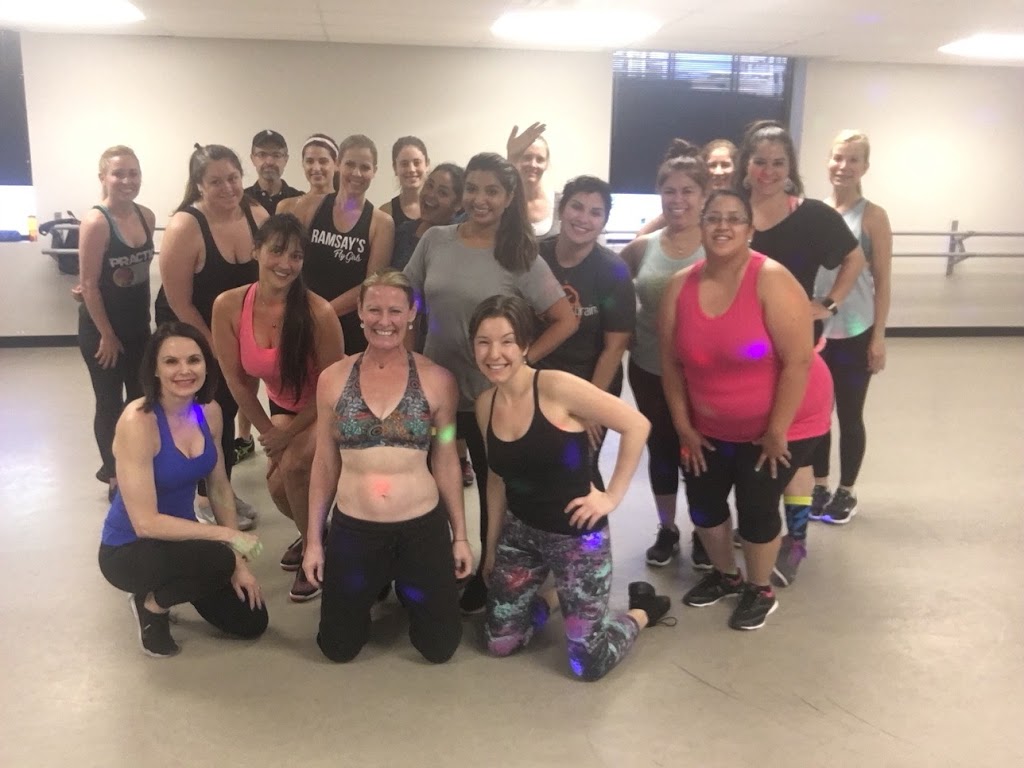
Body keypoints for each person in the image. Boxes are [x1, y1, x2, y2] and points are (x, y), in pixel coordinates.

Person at [403, 151, 578, 614]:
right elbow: (406, 299)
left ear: (508, 196)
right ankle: (431, 565)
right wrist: (406, 359)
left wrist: (517, 364)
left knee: (490, 486)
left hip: (489, 398)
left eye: (492, 191)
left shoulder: (519, 254)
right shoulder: (436, 240)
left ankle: (488, 571)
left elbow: (564, 319)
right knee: (429, 479)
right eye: (473, 189)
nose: (480, 199)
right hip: (437, 393)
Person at [659, 190, 833, 630]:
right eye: (713, 218)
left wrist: (777, 431)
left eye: (734, 219)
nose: (723, 226)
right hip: (709, 423)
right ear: (701, 226)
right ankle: (726, 576)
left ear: (750, 230)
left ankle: (759, 588)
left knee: (757, 504)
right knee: (703, 501)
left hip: (786, 421)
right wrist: (683, 425)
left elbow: (798, 361)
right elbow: (670, 363)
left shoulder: (772, 280)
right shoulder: (679, 286)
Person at [471, 295, 670, 680]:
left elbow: (636, 425)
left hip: (577, 538)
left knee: (588, 663)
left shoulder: (557, 387)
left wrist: (610, 497)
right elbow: (496, 479)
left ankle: (642, 611)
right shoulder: (484, 404)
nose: (494, 353)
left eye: (507, 341)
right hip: (521, 535)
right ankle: (556, 597)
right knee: (499, 643)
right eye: (483, 342)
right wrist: (491, 547)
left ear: (525, 344)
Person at [302, 269, 473, 663]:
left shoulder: (438, 380)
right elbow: (325, 462)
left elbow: (446, 457)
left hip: (421, 528)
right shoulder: (332, 379)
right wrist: (314, 541)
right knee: (337, 648)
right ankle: (378, 584)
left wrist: (460, 536)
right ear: (360, 312)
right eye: (374, 309)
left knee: (439, 648)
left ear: (411, 313)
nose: (385, 321)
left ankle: (405, 585)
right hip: (355, 529)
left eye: (395, 310)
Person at [737, 119, 866, 586]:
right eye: (760, 161)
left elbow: (854, 257)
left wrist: (827, 303)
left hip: (795, 351)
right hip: (743, 352)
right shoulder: (732, 212)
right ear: (746, 165)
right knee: (750, 444)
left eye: (778, 163)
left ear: (790, 168)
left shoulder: (811, 215)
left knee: (794, 450)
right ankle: (757, 526)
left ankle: (794, 540)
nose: (768, 171)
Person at [98, 322, 268, 657]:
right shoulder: (138, 421)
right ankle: (151, 605)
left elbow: (218, 487)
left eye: (194, 360)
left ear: (206, 365)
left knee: (251, 620)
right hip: (129, 549)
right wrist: (227, 538)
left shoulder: (210, 413)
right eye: (171, 362)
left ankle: (174, 581)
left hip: (179, 540)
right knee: (217, 559)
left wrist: (239, 563)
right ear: (155, 369)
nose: (184, 370)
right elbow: (146, 523)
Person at [212, 214, 345, 602]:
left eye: (296, 256)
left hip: (327, 407)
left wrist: (287, 436)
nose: (285, 263)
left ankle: (314, 553)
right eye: (277, 251)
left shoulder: (319, 313)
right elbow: (236, 380)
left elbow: (334, 388)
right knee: (277, 486)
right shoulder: (228, 306)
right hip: (285, 407)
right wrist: (269, 433)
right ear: (256, 250)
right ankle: (317, 532)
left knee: (294, 466)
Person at [154, 144, 270, 531]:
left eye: (233, 178)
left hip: (231, 332)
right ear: (199, 185)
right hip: (189, 332)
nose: (228, 188)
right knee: (203, 412)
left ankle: (221, 489)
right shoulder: (185, 226)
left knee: (229, 409)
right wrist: (214, 350)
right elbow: (179, 302)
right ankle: (203, 496)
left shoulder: (257, 216)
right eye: (216, 181)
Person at [619, 140, 708, 571]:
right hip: (650, 366)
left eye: (688, 190)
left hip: (704, 374)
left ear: (704, 195)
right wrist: (623, 332)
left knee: (702, 451)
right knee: (663, 448)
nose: (678, 200)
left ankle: (706, 529)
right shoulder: (645, 247)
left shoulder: (717, 245)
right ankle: (668, 528)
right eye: (670, 191)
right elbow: (612, 282)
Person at [812, 130, 893, 525]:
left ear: (865, 167)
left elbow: (883, 280)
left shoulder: (873, 216)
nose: (843, 167)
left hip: (856, 330)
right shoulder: (814, 213)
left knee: (849, 413)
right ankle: (819, 484)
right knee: (817, 414)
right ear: (828, 161)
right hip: (817, 332)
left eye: (853, 160)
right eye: (838, 158)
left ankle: (846, 490)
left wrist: (878, 337)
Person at [535, 175, 636, 489]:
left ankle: (591, 522)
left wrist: (592, 406)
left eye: (595, 212)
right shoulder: (534, 256)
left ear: (604, 222)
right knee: (535, 465)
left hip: (590, 382)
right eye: (576, 207)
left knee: (579, 470)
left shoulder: (612, 271)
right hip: (539, 379)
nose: (583, 218)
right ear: (561, 209)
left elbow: (614, 348)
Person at [77, 145, 156, 502]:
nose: (127, 180)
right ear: (103, 178)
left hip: (138, 327)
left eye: (133, 173)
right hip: (102, 331)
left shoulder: (146, 216)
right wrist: (107, 335)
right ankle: (113, 475)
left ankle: (137, 463)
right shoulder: (97, 222)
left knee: (141, 399)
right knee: (109, 402)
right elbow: (89, 285)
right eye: (118, 173)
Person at [300, 134, 395, 357]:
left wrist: (324, 313)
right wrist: (306, 313)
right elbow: (294, 262)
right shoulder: (311, 206)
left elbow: (370, 285)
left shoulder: (381, 223)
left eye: (365, 167)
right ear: (338, 164)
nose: (357, 173)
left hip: (349, 328)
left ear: (374, 171)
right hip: (304, 319)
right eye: (350, 164)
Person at [637, 138, 737, 236]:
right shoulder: (689, 205)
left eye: (725, 165)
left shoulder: (742, 203)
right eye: (712, 165)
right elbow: (643, 235)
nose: (718, 172)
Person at [506, 122, 556, 237]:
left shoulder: (559, 203)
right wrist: (511, 158)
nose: (533, 164)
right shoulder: (505, 201)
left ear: (547, 164)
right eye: (527, 157)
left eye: (540, 159)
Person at [245, 129, 302, 215]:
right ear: (252, 159)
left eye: (276, 155)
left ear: (286, 159)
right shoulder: (242, 201)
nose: (269, 162)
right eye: (262, 154)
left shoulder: (299, 200)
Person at [379, 136, 429, 231]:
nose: (411, 169)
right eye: (404, 164)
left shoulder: (440, 208)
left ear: (427, 164)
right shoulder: (385, 212)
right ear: (395, 168)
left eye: (417, 163)